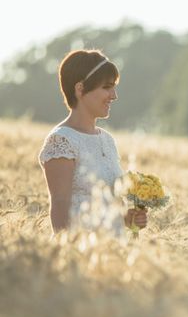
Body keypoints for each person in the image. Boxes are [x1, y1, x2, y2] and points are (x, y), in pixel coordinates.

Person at [38, 49, 147, 237]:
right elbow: (60, 203)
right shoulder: (62, 140)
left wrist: (128, 219)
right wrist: (69, 252)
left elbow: (108, 208)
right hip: (82, 253)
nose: (114, 95)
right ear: (80, 89)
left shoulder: (107, 140)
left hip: (113, 254)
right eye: (107, 87)